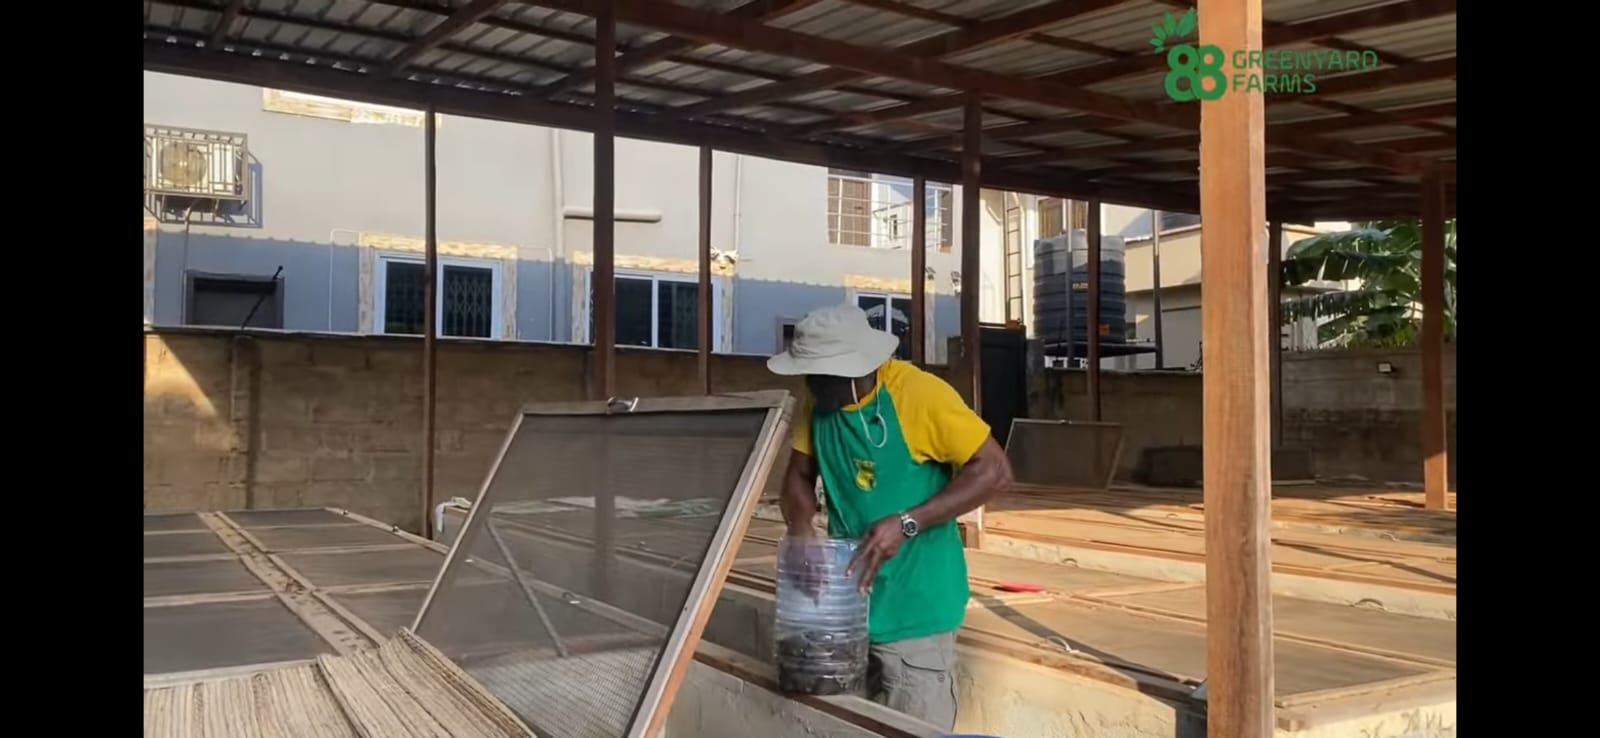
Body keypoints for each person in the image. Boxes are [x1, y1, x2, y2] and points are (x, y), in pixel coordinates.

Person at [767, 303, 1015, 730]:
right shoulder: (821, 404)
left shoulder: (918, 396)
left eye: (820, 376)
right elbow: (798, 478)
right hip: (848, 610)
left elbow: (994, 470)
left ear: (852, 369)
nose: (810, 384)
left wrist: (907, 522)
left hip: (915, 608)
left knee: (911, 722)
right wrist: (802, 528)